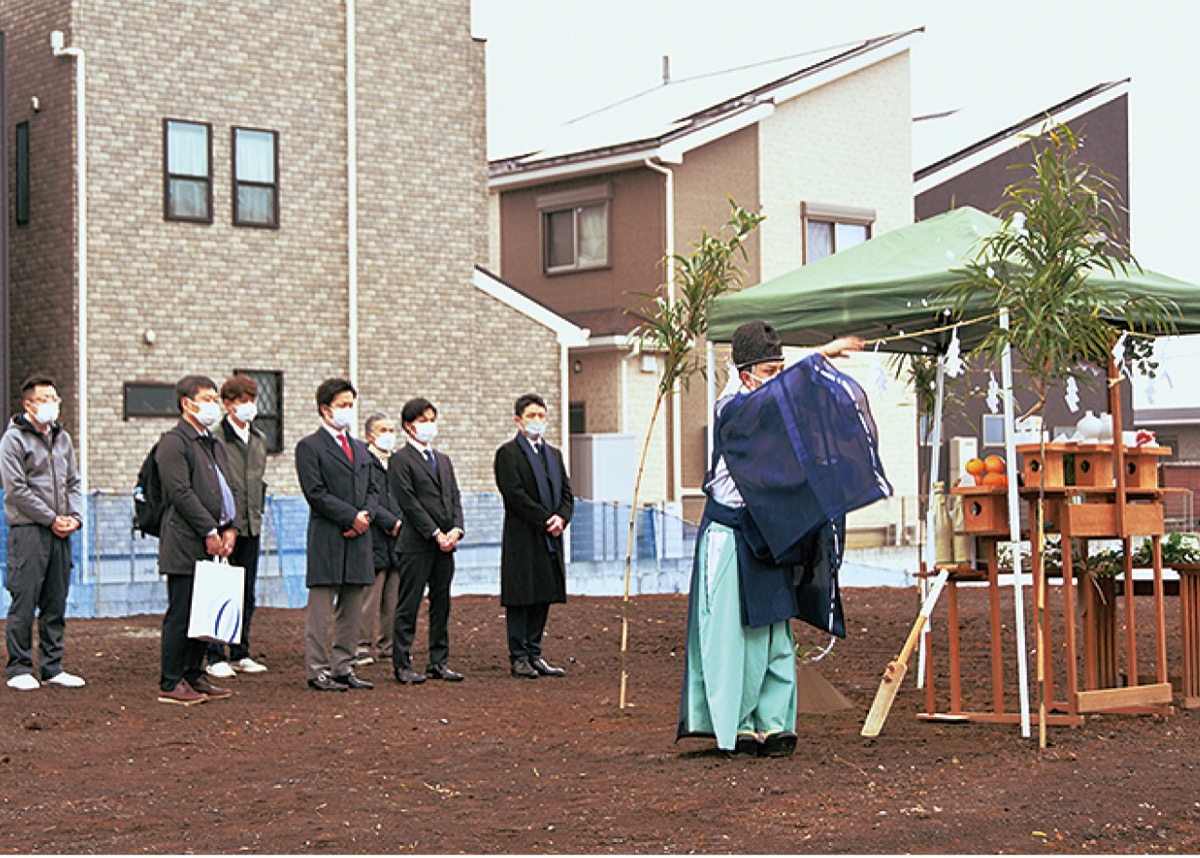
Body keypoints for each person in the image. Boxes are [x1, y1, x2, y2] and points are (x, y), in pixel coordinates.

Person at [677, 321, 871, 756]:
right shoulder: (732, 410)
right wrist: (821, 353)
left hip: (769, 532)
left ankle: (776, 721)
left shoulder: (772, 409)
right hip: (731, 535)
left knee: (776, 633)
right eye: (770, 371)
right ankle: (738, 723)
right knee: (736, 635)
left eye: (781, 369)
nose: (779, 379)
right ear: (746, 377)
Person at [156, 375, 239, 705]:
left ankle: (193, 672)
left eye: (214, 398)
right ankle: (171, 679)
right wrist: (208, 529)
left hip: (214, 539)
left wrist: (230, 527)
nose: (213, 405)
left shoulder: (213, 443)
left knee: (203, 612)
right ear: (186, 403)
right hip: (184, 542)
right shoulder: (174, 442)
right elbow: (180, 492)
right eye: (206, 398)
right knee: (182, 612)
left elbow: (227, 487)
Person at [2, 375, 86, 691]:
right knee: (24, 600)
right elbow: (16, 489)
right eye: (45, 398)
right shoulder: (13, 440)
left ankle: (52, 666)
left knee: (56, 600)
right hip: (28, 531)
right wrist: (51, 517)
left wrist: (74, 517)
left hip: (61, 532)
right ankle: (19, 667)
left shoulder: (62, 438)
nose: (52, 403)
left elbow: (74, 481)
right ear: (28, 404)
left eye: (54, 397)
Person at [295, 378, 379, 692]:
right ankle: (317, 669)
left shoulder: (361, 448)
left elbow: (374, 488)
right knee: (320, 608)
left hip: (359, 537)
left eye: (350, 405)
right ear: (325, 409)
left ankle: (345, 666)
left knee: (352, 605)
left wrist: (366, 516)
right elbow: (315, 492)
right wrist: (350, 516)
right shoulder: (310, 447)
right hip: (328, 536)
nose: (348, 411)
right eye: (342, 405)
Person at [493, 393, 573, 679]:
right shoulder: (508, 454)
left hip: (551, 536)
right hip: (523, 536)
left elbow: (566, 492)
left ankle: (535, 652)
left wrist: (561, 517)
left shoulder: (554, 454)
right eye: (531, 416)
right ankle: (519, 656)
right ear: (518, 420)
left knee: (543, 593)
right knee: (521, 597)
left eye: (541, 415)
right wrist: (544, 519)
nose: (537, 421)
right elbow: (514, 494)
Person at [389, 397, 465, 684]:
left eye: (432, 419)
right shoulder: (400, 460)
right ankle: (402, 662)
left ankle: (438, 661)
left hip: (446, 546)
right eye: (422, 421)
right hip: (416, 544)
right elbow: (409, 503)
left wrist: (456, 529)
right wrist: (435, 533)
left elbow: (454, 498)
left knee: (441, 603)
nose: (429, 426)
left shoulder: (443, 460)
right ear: (409, 426)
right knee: (409, 604)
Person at [205, 375, 270, 679]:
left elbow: (258, 481)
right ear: (227, 404)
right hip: (222, 527)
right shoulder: (215, 437)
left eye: (252, 399)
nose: (248, 406)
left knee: (247, 592)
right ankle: (215, 654)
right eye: (241, 400)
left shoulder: (258, 440)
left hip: (251, 525)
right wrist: (219, 524)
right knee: (219, 589)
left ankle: (241, 651)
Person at [355, 413, 402, 667]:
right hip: (373, 538)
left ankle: (389, 646)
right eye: (383, 429)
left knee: (393, 598)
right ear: (370, 435)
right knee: (369, 599)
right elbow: (367, 496)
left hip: (398, 540)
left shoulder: (396, 462)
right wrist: (389, 521)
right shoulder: (364, 461)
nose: (388, 434)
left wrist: (401, 522)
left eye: (391, 429)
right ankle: (361, 646)